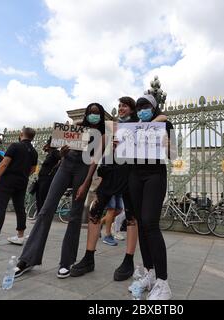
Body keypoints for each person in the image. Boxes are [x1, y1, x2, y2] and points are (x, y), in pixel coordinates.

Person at [69, 96, 168, 282]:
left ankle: (128, 260)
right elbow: (96, 154)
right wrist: (86, 181)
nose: (121, 108)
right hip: (110, 173)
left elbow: (162, 119)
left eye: (125, 106)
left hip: (130, 174)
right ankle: (88, 257)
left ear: (133, 110)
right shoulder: (112, 126)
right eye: (120, 106)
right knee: (95, 210)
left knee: (131, 216)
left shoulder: (138, 124)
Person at [14, 103, 106, 278]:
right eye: (91, 112)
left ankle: (66, 262)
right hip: (66, 165)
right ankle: (27, 259)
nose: (93, 115)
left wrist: (86, 184)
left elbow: (95, 160)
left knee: (75, 215)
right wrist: (63, 153)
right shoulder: (78, 127)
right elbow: (62, 146)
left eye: (97, 113)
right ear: (87, 113)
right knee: (46, 210)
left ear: (101, 116)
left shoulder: (102, 134)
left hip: (83, 168)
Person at [127, 94, 175, 300]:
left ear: (154, 107)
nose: (141, 110)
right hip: (135, 176)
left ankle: (163, 283)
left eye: (145, 106)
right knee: (141, 224)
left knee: (150, 223)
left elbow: (173, 154)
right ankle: (150, 273)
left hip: (155, 174)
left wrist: (167, 144)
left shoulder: (166, 124)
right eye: (138, 107)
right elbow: (122, 153)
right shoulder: (131, 128)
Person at [0, 128, 38, 251]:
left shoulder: (15, 146)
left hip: (7, 180)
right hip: (22, 181)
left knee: (0, 208)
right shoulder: (34, 152)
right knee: (20, 208)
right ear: (32, 137)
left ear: (21, 135)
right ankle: (20, 236)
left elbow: (4, 163)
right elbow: (33, 169)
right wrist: (23, 175)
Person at [29, 136, 67, 220]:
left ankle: (41, 218)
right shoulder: (51, 152)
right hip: (42, 179)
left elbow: (61, 156)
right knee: (39, 198)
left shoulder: (55, 152)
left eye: (48, 143)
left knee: (42, 199)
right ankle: (39, 217)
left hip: (47, 179)